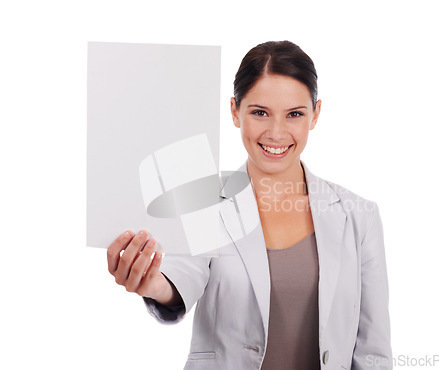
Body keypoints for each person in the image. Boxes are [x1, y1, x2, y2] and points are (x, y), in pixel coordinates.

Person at [107, 40, 393, 369]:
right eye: (259, 112)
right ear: (234, 111)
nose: (276, 132)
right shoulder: (203, 201)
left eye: (294, 114)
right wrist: (152, 282)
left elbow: (373, 351)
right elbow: (182, 276)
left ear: (314, 115)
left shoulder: (358, 216)